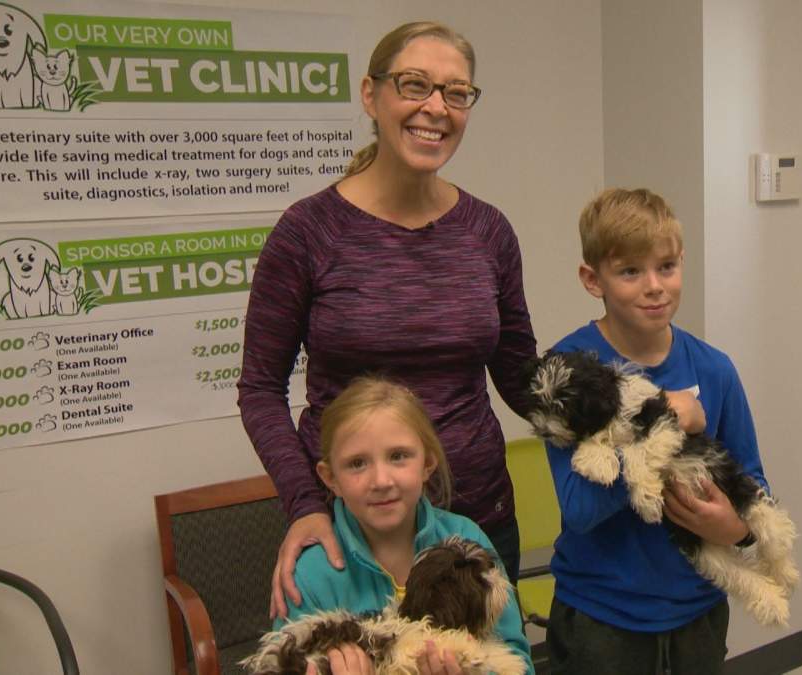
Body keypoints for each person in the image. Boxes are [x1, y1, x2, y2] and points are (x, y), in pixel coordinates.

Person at [237, 20, 537, 620]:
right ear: (371, 96)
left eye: (456, 93)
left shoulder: (488, 232)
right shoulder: (308, 233)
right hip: (352, 539)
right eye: (415, 84)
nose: (436, 107)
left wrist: (625, 410)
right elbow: (260, 389)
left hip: (475, 528)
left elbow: (523, 379)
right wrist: (304, 504)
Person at [542, 188, 772, 675]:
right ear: (592, 278)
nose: (654, 286)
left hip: (698, 613)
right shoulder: (567, 373)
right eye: (630, 271)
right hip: (601, 619)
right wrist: (664, 418)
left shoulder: (715, 370)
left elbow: (753, 486)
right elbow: (580, 509)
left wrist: (733, 527)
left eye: (666, 267)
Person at [283, 376, 534, 675]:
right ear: (330, 478)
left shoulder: (467, 541)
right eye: (357, 463)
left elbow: (517, 662)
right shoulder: (313, 574)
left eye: (398, 456)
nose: (381, 481)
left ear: (427, 463)